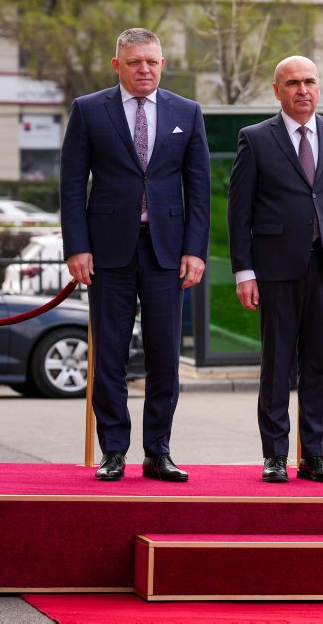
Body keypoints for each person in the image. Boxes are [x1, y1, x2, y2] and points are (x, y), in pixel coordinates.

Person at [60, 28, 211, 483]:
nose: (144, 69)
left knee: (165, 356)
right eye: (134, 63)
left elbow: (199, 188)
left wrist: (195, 251)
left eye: (152, 61)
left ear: (162, 63)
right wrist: (77, 247)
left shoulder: (188, 112)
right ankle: (114, 451)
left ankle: (158, 451)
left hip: (167, 252)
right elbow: (71, 184)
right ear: (117, 65)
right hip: (107, 252)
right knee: (109, 354)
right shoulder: (88, 110)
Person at [227, 56, 323, 484]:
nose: (302, 90)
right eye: (292, 83)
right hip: (275, 267)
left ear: (319, 87)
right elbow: (239, 212)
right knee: (277, 363)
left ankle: (314, 455)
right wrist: (244, 272)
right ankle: (274, 456)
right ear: (277, 90)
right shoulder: (255, 139)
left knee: (319, 365)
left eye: (309, 81)